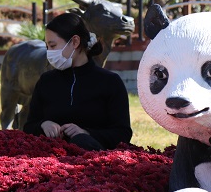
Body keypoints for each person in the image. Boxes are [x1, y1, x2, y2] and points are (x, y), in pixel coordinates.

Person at [23, 12, 133, 150]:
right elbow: (28, 126)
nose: (49, 52)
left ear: (75, 42)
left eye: (52, 45)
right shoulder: (46, 81)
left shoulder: (110, 82)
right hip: (48, 159)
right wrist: (43, 125)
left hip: (91, 163)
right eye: (47, 47)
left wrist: (86, 133)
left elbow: (123, 133)